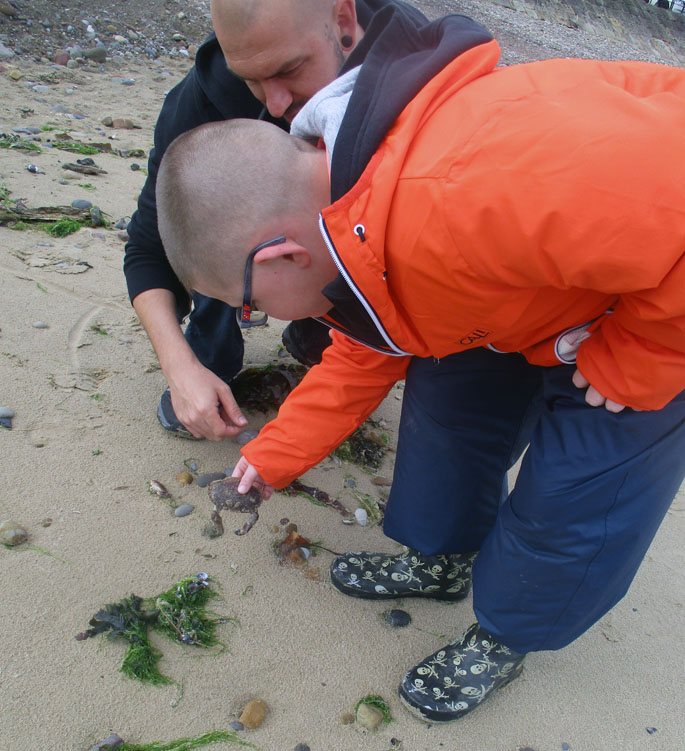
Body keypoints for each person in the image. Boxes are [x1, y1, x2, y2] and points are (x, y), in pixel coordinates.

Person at [156, 14, 685, 723]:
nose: (260, 320)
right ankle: (440, 558)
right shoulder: (346, 219)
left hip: (660, 311)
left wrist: (640, 357)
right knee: (447, 399)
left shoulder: (475, 181)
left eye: (248, 303)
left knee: (580, 491)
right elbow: (363, 352)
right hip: (534, 298)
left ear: (280, 256)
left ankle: (505, 634)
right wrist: (269, 459)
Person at [122, 0, 440, 441]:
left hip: (363, 247)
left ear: (343, 23)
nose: (275, 104)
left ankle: (317, 342)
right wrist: (180, 366)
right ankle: (212, 353)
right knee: (214, 228)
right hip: (262, 240)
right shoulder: (208, 94)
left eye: (289, 70)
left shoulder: (419, 72)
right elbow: (147, 246)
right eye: (251, 79)